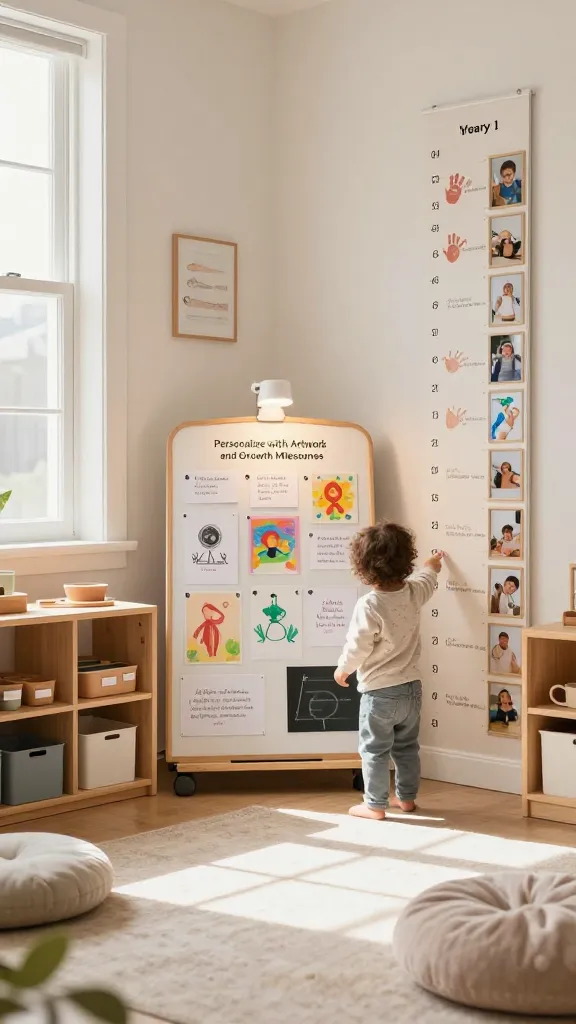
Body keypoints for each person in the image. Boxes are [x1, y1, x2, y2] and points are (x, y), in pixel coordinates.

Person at [333, 520, 443, 821]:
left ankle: (375, 804)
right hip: (411, 690)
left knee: (374, 750)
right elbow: (428, 578)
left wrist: (343, 670)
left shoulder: (369, 605)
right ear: (405, 560)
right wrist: (432, 564)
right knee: (407, 747)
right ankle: (407, 799)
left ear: (363, 567)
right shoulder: (412, 593)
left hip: (379, 693)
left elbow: (358, 647)